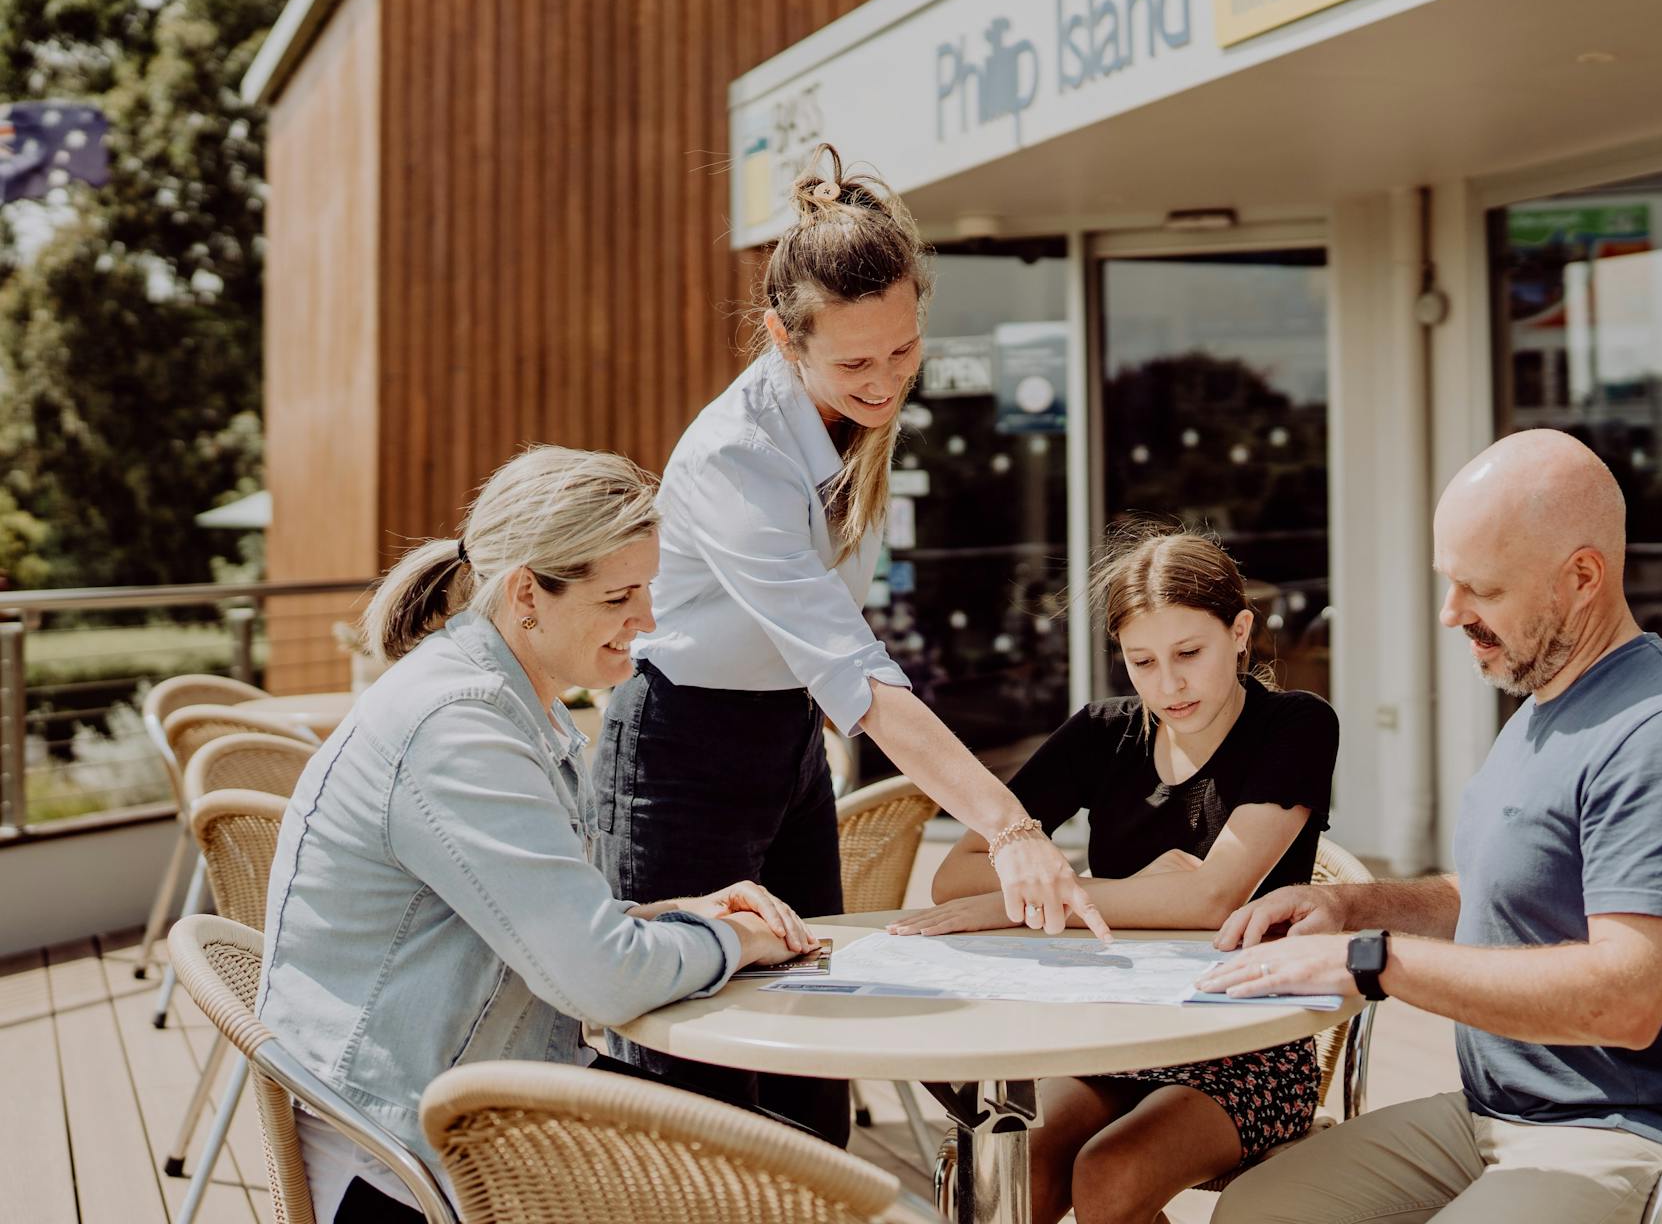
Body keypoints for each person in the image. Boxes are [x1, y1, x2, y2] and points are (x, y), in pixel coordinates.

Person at [594, 144, 1106, 1145]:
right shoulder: (738, 454)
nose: (885, 382)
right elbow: (853, 672)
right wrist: (1010, 830)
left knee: (815, 1056)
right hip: (678, 759)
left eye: (902, 351)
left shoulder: (854, 407)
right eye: (855, 364)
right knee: (697, 1091)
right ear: (783, 339)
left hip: (784, 747)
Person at [1198, 429, 1662, 1224]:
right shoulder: (1548, 703)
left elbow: (1629, 999)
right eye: (1450, 582)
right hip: (1498, 1115)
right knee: (1257, 1211)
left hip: (1637, 1132)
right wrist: (1352, 909)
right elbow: (1501, 894)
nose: (1451, 613)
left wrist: (1374, 962)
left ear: (1582, 577)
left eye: (1482, 589)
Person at [258, 447, 814, 1224]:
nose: (648, 620)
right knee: (795, 1190)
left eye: (649, 589)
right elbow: (598, 983)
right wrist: (736, 941)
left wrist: (677, 918)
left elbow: (529, 927)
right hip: (409, 1161)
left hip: (473, 1102)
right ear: (527, 594)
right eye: (619, 595)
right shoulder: (460, 730)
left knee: (793, 1163)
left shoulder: (506, 703)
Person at [893, 525, 1339, 1224]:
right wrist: (1140, 891)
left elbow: (1212, 899)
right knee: (1016, 1170)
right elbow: (958, 875)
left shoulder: (1295, 727)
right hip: (1115, 1030)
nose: (1169, 684)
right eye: (1142, 661)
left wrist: (1026, 901)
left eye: (1189, 653)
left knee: (1109, 1174)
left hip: (1247, 1039)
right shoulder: (1102, 733)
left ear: (1240, 632)